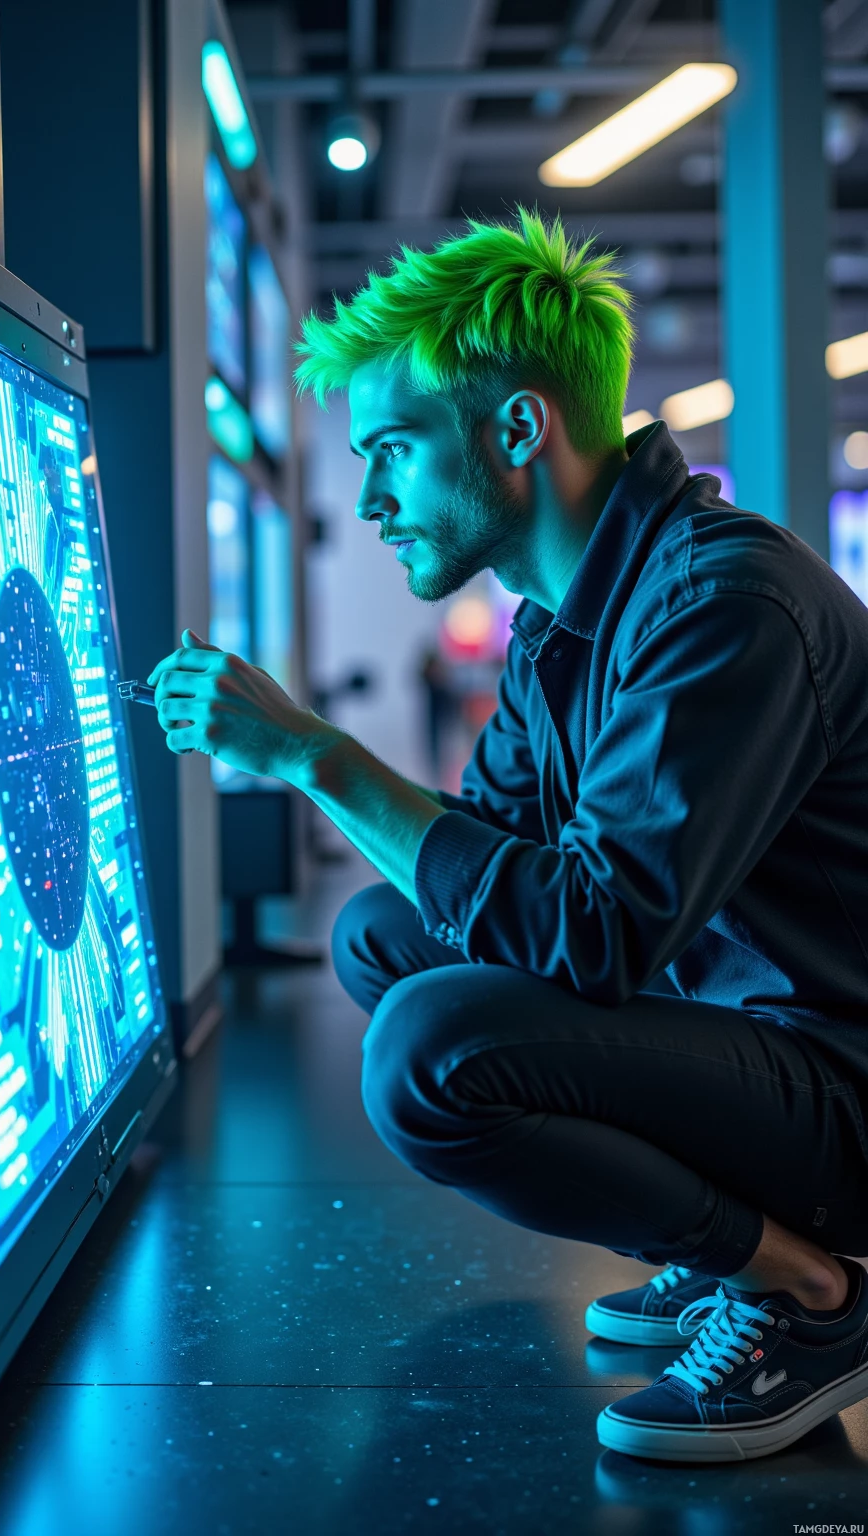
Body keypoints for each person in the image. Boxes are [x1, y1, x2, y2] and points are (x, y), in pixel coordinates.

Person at [147, 211, 868, 1464]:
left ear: (518, 430)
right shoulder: (563, 617)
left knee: (429, 1049)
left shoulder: (721, 605)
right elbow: (479, 856)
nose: (367, 500)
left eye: (392, 452)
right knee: (386, 936)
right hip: (752, 1035)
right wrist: (332, 777)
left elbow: (592, 931)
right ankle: (731, 1248)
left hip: (842, 1081)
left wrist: (314, 755)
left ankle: (811, 1294)